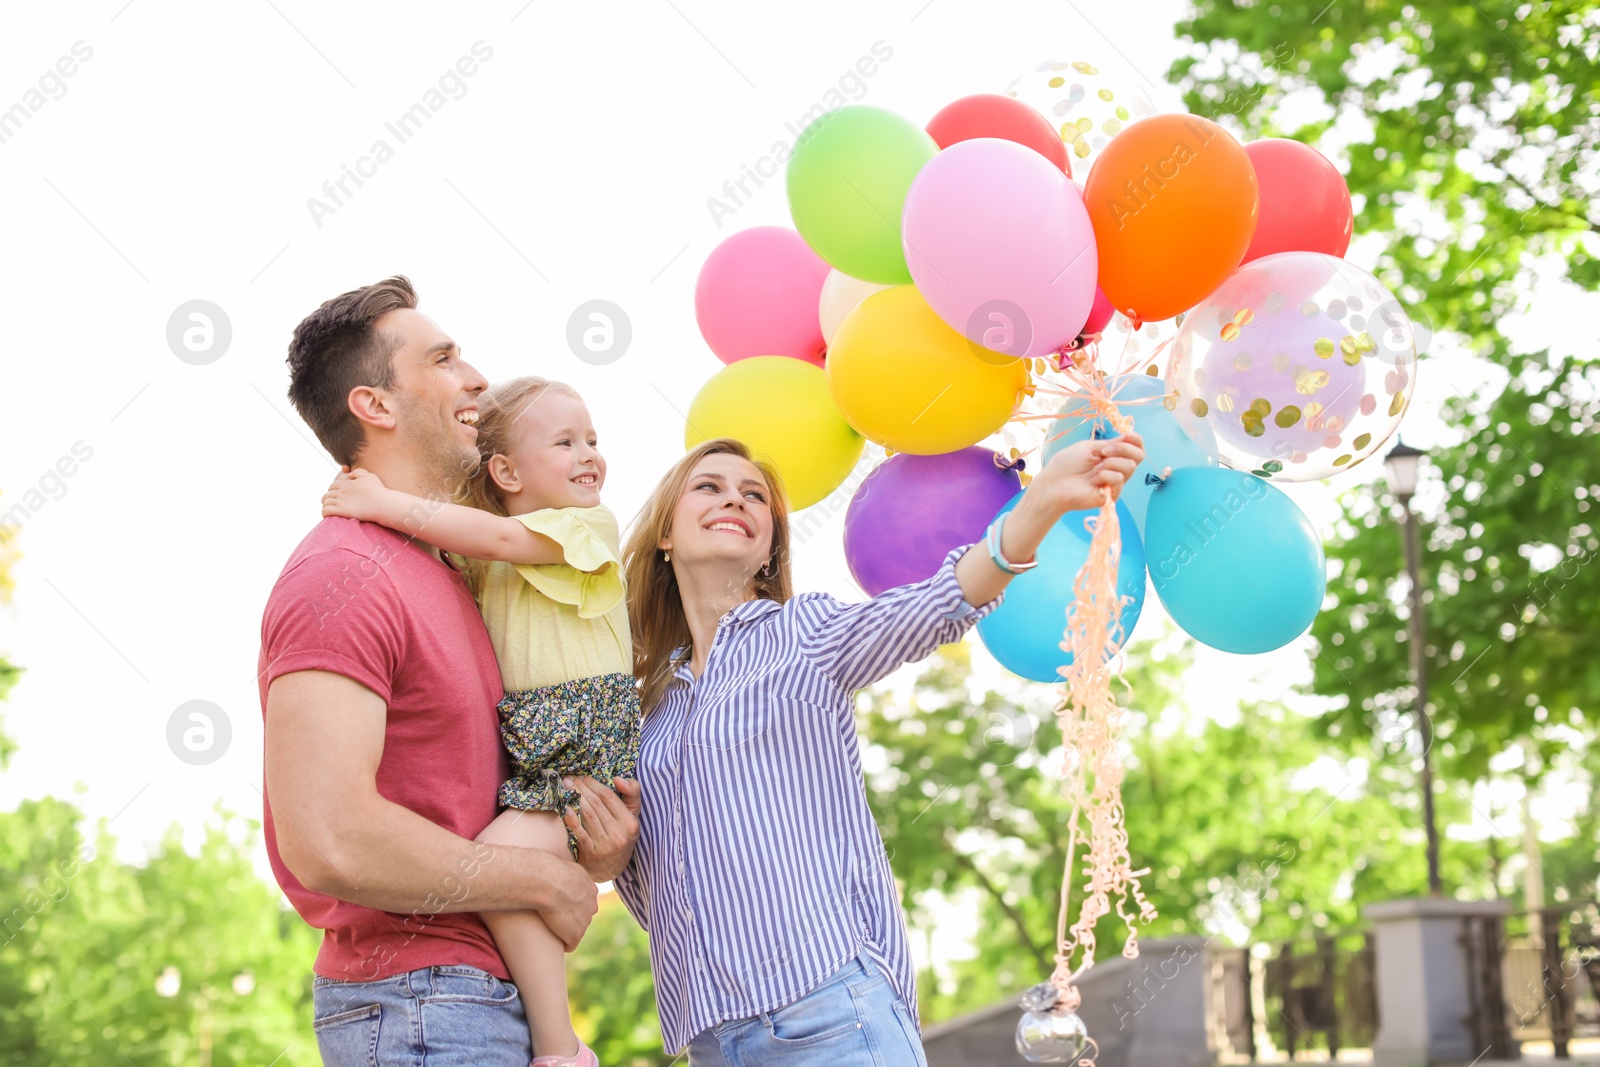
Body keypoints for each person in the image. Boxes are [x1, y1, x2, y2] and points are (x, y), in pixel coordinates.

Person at [613, 432, 1144, 1066]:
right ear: (666, 537)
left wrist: (1044, 502)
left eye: (754, 496)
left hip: (828, 1015)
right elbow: (658, 883)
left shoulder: (801, 633)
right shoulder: (647, 712)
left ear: (766, 551)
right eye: (710, 487)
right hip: (712, 1040)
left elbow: (939, 604)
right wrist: (612, 853)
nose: (736, 499)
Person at [260, 276, 639, 1067]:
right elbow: (327, 837)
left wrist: (586, 848)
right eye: (443, 358)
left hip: (478, 1003)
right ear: (377, 406)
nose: (475, 378)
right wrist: (535, 884)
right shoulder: (344, 573)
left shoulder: (458, 576)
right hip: (421, 1005)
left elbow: (479, 801)